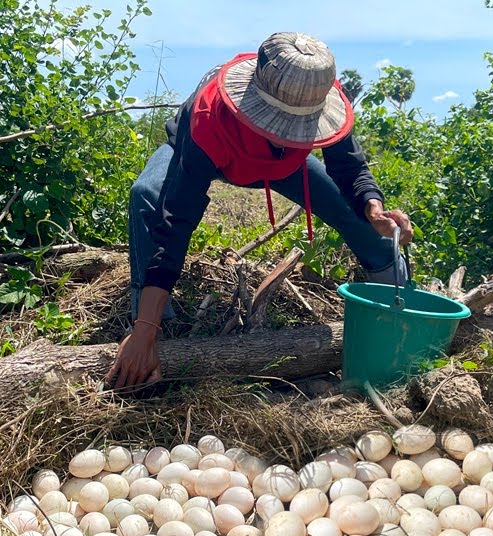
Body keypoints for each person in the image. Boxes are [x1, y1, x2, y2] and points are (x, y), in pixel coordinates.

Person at [105, 31, 415, 389]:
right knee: (146, 193)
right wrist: (146, 330)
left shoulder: (316, 89)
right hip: (202, 150)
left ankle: (401, 308)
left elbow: (349, 169)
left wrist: (374, 208)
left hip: (282, 168)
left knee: (358, 217)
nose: (287, 132)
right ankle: (157, 327)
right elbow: (175, 220)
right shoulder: (209, 117)